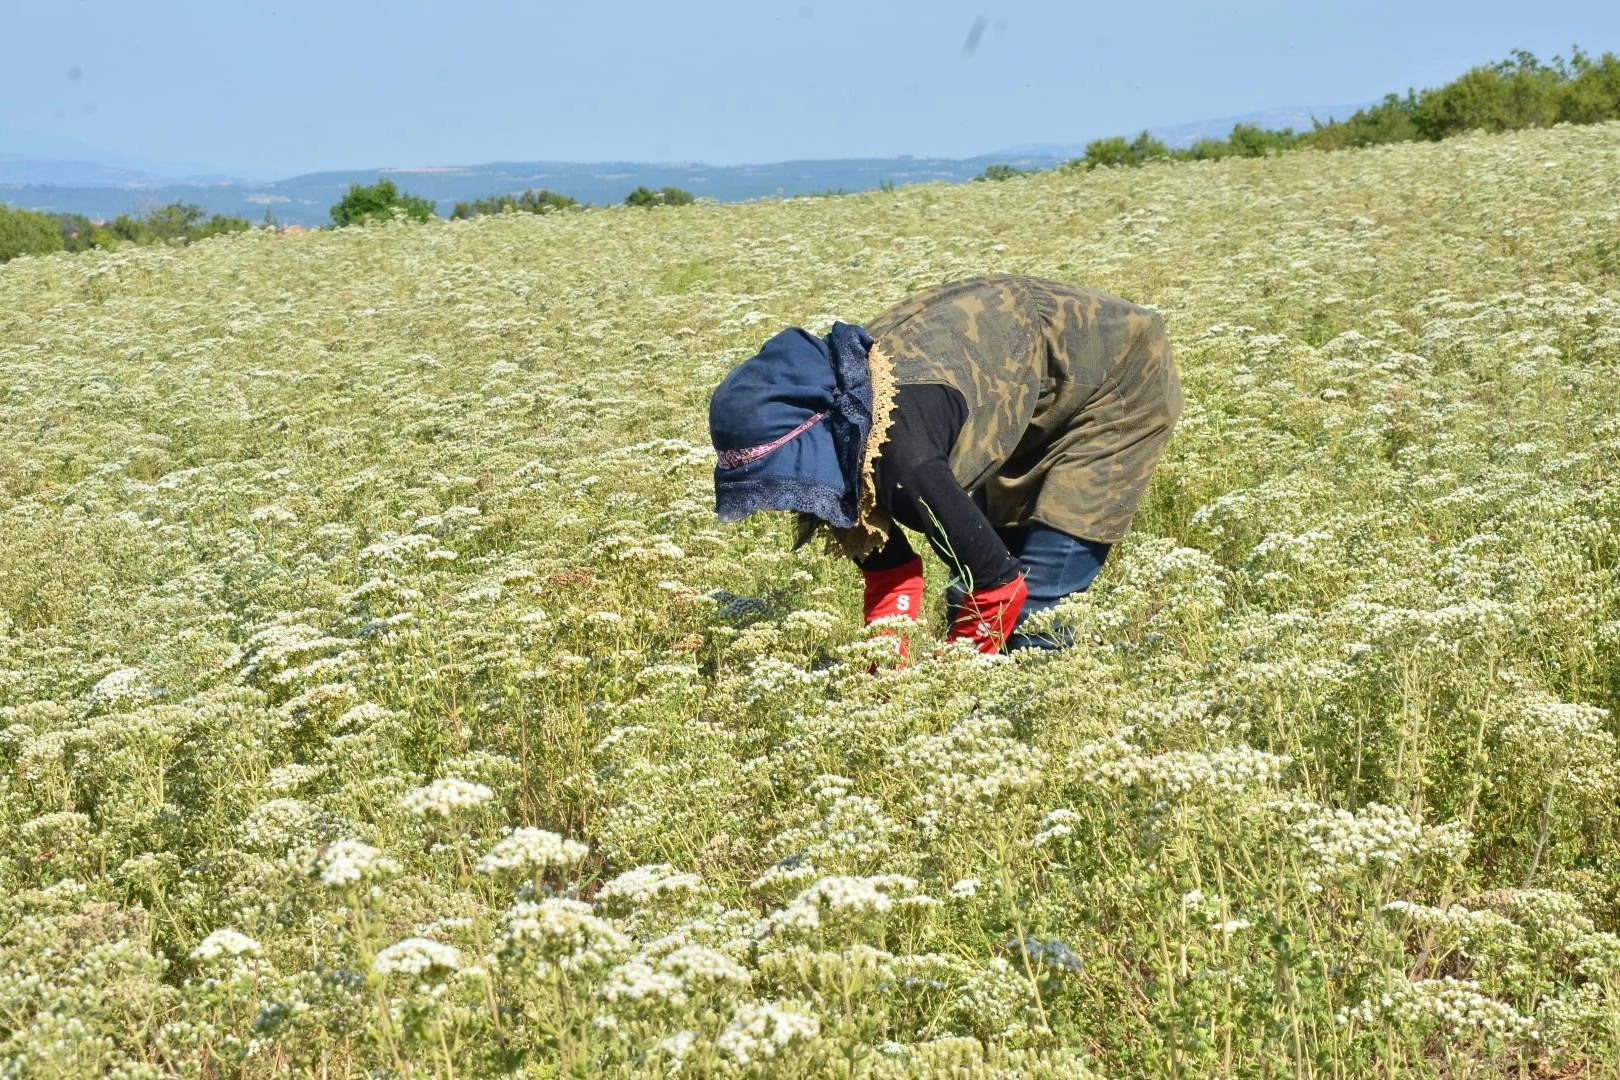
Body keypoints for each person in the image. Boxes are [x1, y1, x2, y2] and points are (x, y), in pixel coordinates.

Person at [708, 274, 1182, 656]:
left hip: (1111, 377)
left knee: (1035, 612)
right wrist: (877, 686)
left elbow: (999, 586)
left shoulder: (902, 457)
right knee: (968, 588)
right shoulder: (841, 427)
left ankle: (1027, 749)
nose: (781, 495)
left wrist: (947, 694)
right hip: (1024, 376)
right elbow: (892, 577)